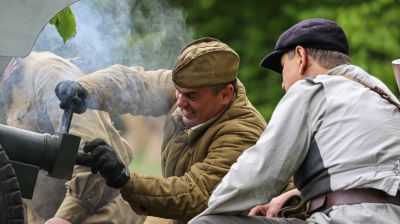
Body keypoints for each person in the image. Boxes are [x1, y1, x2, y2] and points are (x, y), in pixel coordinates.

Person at [188, 18, 400, 224]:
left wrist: (206, 215)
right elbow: (367, 177)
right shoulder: (385, 97)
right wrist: (296, 194)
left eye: (283, 68)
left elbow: (258, 174)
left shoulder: (312, 89)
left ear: (301, 57)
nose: (282, 84)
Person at [54, 37, 267, 224]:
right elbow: (134, 84)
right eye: (178, 92)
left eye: (192, 96)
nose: (180, 102)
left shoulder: (242, 133)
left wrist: (123, 178)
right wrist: (87, 88)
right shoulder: (194, 87)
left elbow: (194, 195)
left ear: (225, 94)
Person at [0, 51, 145, 224]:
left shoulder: (48, 72)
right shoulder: (8, 83)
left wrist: (65, 217)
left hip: (98, 215)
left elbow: (93, 157)